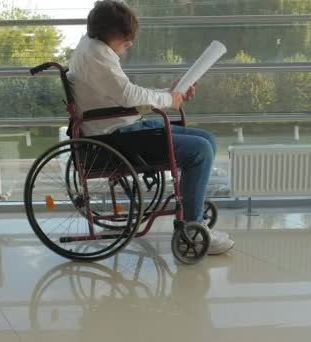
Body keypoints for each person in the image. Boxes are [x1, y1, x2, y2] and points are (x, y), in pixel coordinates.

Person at [67, 0, 234, 255]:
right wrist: (168, 99)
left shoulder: (92, 48)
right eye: (125, 40)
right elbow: (128, 96)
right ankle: (193, 225)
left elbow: (124, 95)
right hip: (116, 137)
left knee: (207, 140)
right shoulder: (97, 56)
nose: (129, 44)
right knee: (200, 151)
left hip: (119, 127)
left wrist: (169, 93)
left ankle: (192, 212)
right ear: (110, 35)